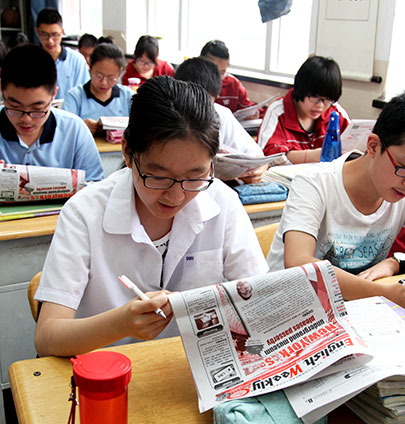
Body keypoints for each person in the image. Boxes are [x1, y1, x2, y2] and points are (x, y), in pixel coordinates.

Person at [34, 76, 268, 357]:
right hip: (106, 374)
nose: (175, 196)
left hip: (187, 372)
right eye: (158, 177)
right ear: (129, 153)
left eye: (195, 177)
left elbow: (259, 301)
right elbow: (47, 337)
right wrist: (120, 324)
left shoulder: (223, 202)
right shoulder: (85, 212)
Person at [267, 90, 405, 321]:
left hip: (354, 309)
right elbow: (299, 263)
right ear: (373, 146)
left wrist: (396, 263)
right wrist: (386, 295)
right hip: (291, 310)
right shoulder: (315, 183)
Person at [0, 45, 103, 181]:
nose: (26, 119)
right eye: (15, 107)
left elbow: (95, 186)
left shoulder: (74, 130)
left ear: (53, 94)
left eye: (37, 109)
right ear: (1, 89)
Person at [174, 56, 266, 184]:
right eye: (195, 102)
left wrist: (256, 171)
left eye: (208, 103)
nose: (201, 109)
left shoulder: (221, 114)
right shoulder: (167, 116)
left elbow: (257, 156)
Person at [258, 55, 350, 163]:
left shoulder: (334, 111)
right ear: (301, 89)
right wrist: (311, 156)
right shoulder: (278, 112)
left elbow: (352, 143)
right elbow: (264, 156)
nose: (320, 106)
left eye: (327, 100)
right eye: (315, 97)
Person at [63, 43, 135, 134]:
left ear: (119, 74)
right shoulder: (74, 97)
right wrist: (80, 126)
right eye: (99, 76)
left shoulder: (129, 96)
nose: (104, 83)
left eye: (111, 78)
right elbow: (63, 128)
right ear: (90, 69)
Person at [35, 8, 89, 99]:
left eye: (55, 34)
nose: (50, 41)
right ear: (37, 31)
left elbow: (84, 94)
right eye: (44, 34)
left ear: (62, 32)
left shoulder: (77, 61)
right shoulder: (28, 61)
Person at [200, 40, 256, 116]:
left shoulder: (234, 84)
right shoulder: (189, 83)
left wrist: (252, 114)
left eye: (222, 72)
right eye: (214, 71)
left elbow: (246, 107)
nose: (218, 78)